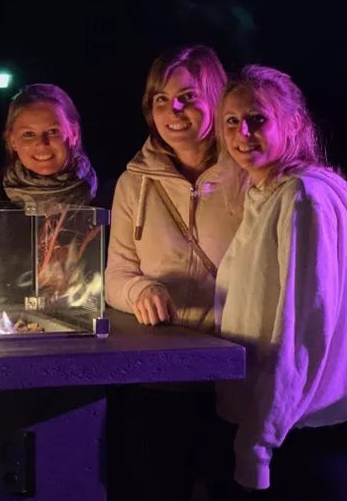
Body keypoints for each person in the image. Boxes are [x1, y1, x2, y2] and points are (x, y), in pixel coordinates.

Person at [214, 64, 347, 500]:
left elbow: (304, 329)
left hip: (302, 429)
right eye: (232, 121)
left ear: (295, 124)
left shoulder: (304, 198)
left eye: (258, 119)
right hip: (277, 421)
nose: (243, 133)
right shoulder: (262, 192)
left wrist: (258, 444)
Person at [105, 45, 242, 501]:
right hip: (158, 373)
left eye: (187, 96)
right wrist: (140, 287)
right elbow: (116, 274)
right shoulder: (134, 180)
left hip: (235, 368)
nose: (173, 110)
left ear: (217, 98)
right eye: (161, 100)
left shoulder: (247, 173)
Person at [1, 83, 97, 207]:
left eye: (53, 131)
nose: (41, 144)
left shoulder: (112, 199)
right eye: (28, 134)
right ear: (12, 141)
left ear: (74, 134)